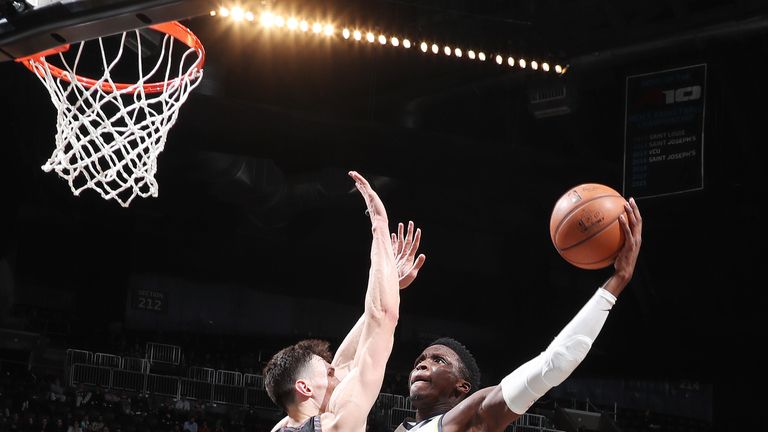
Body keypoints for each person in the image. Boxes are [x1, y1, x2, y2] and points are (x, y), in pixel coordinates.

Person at [393, 197, 643, 432]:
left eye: (439, 360)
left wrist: (617, 280)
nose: (422, 363)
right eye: (420, 361)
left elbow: (554, 363)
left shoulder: (471, 418)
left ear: (461, 388)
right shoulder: (403, 428)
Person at [263, 171, 426, 432]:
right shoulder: (336, 425)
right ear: (305, 387)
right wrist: (379, 227)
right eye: (329, 374)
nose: (338, 374)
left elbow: (346, 364)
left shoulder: (284, 426)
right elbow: (384, 315)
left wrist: (389, 285)